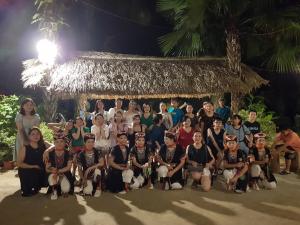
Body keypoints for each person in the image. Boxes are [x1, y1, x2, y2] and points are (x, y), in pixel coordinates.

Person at [17, 127, 52, 196]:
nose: (36, 136)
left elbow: (54, 146)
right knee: (26, 171)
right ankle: (30, 188)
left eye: (37, 134)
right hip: (28, 169)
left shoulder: (44, 143)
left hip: (41, 168)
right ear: (29, 136)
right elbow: (19, 163)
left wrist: (47, 151)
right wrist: (33, 166)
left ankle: (50, 186)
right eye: (33, 134)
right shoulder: (24, 147)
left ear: (40, 135)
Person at [46, 131, 74, 200]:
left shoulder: (69, 153)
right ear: (54, 143)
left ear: (65, 143)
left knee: (66, 190)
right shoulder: (49, 153)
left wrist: (58, 171)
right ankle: (55, 189)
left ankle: (60, 187)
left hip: (65, 174)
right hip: (54, 174)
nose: (59, 143)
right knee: (52, 177)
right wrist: (53, 170)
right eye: (57, 142)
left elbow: (68, 168)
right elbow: (47, 169)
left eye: (61, 141)